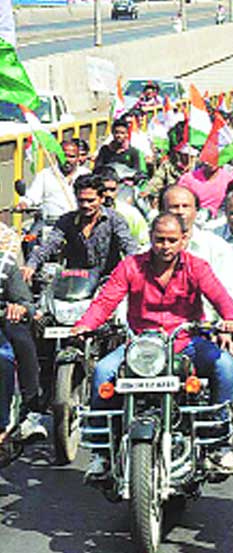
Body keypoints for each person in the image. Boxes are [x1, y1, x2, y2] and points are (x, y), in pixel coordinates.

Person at [73, 213, 233, 477]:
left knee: (226, 365)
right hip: (141, 346)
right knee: (103, 371)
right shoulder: (131, 265)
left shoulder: (197, 267)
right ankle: (101, 452)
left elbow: (220, 297)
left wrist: (231, 319)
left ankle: (219, 444)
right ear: (150, 239)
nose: (165, 246)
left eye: (172, 240)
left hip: (186, 343)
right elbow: (106, 301)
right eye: (160, 240)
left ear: (184, 240)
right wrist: (86, 325)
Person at [23, 174, 138, 283]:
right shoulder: (66, 221)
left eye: (90, 200)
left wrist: (131, 267)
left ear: (102, 198)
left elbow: (128, 244)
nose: (85, 205)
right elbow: (49, 244)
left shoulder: (115, 220)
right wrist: (31, 265)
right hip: (75, 283)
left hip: (107, 282)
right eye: (81, 200)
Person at [161, 186, 233, 312]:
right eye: (174, 207)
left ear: (196, 211)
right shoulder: (147, 251)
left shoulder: (217, 247)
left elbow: (231, 290)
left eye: (186, 206)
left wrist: (230, 319)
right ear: (162, 211)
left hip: (206, 325)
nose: (180, 212)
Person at [0, 223, 45, 444]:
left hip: (2, 324)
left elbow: (26, 302)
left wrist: (20, 308)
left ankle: (30, 411)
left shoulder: (5, 266)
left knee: (16, 344)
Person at [18, 139, 89, 220]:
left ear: (77, 158)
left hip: (78, 223)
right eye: (63, 156)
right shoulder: (44, 175)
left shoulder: (85, 174)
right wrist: (24, 204)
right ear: (56, 156)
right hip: (50, 224)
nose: (67, 160)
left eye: (71, 156)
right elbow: (32, 197)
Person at [94, 165, 150, 247]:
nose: (108, 194)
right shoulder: (84, 213)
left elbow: (144, 242)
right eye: (104, 190)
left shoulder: (130, 213)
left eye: (112, 190)